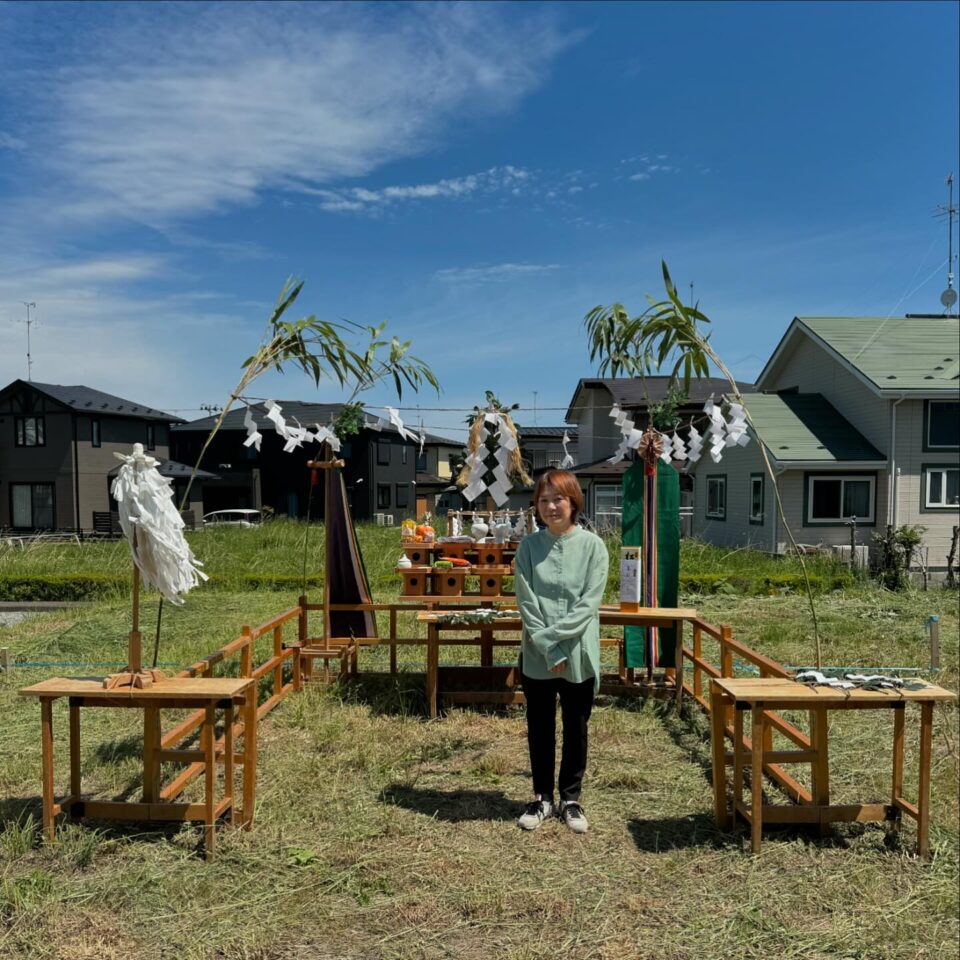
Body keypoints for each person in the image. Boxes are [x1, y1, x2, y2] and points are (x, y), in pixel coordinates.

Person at [513, 468, 609, 833]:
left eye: (558, 498)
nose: (551, 506)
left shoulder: (593, 546)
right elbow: (527, 602)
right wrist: (550, 649)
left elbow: (588, 605)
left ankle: (570, 798)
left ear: (573, 502)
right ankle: (542, 798)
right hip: (538, 654)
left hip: (579, 652)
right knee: (539, 726)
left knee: (576, 726)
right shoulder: (528, 547)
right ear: (536, 506)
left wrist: (560, 646)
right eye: (543, 500)